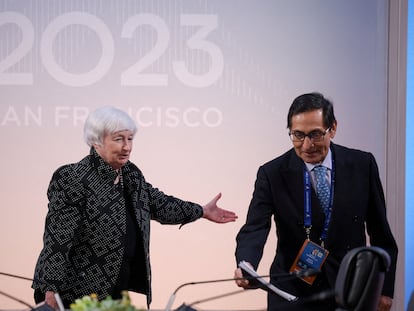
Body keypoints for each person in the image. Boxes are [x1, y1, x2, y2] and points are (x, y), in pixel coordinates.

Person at [32, 106, 237, 309]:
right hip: (73, 293)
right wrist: (51, 289)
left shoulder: (130, 175)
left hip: (114, 291)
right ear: (96, 141)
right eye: (118, 139)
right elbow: (58, 238)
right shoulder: (73, 177)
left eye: (130, 139)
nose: (127, 147)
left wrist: (201, 211)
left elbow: (161, 204)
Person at [233, 92, 398, 311]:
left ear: (333, 128)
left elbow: (381, 234)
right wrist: (246, 264)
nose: (307, 145)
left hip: (350, 289)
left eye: (316, 134)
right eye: (298, 135)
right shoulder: (272, 173)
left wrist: (384, 289)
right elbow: (255, 227)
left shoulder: (362, 165)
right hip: (292, 291)